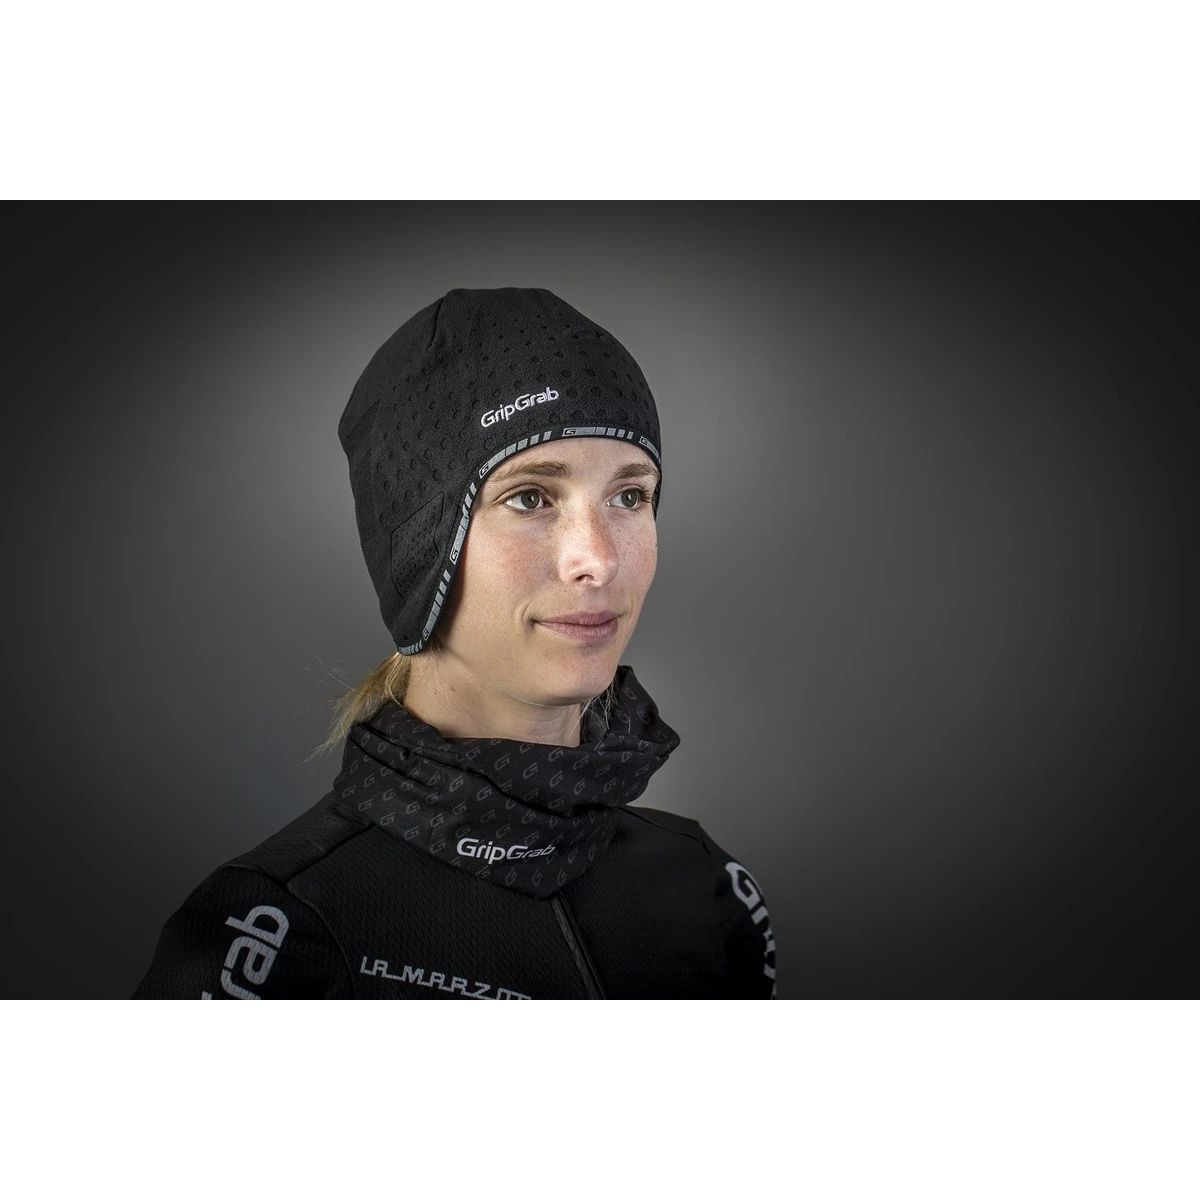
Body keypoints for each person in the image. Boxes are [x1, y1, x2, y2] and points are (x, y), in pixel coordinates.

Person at [131, 287, 776, 999]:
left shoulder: (709, 889)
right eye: (530, 497)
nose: (598, 560)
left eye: (630, 496)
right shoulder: (280, 926)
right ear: (418, 548)